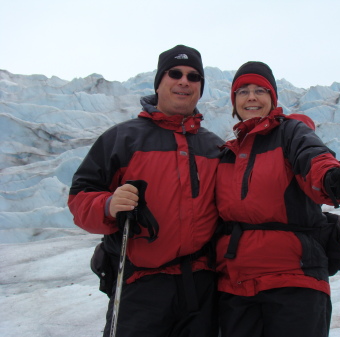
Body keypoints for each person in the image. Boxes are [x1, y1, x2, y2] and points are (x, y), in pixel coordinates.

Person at [68, 45, 224, 337]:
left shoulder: (214, 147)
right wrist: (108, 205)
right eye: (174, 73)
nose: (184, 81)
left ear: (201, 87)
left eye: (193, 77)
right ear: (159, 82)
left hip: (201, 289)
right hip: (139, 286)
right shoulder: (122, 139)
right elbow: (79, 198)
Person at [214, 61, 340, 337]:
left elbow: (314, 158)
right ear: (234, 101)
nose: (252, 97)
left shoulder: (291, 133)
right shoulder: (226, 154)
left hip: (294, 279)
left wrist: (332, 178)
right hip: (236, 287)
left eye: (261, 90)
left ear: (273, 98)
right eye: (243, 91)